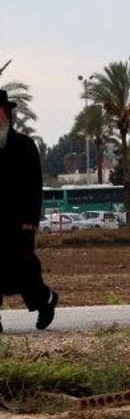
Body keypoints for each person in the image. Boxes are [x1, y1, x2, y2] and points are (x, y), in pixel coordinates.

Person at [0, 90, 58, 333]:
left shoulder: (24, 145)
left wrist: (31, 219)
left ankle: (45, 300)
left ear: (6, 115)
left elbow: (34, 184)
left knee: (23, 266)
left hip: (18, 221)